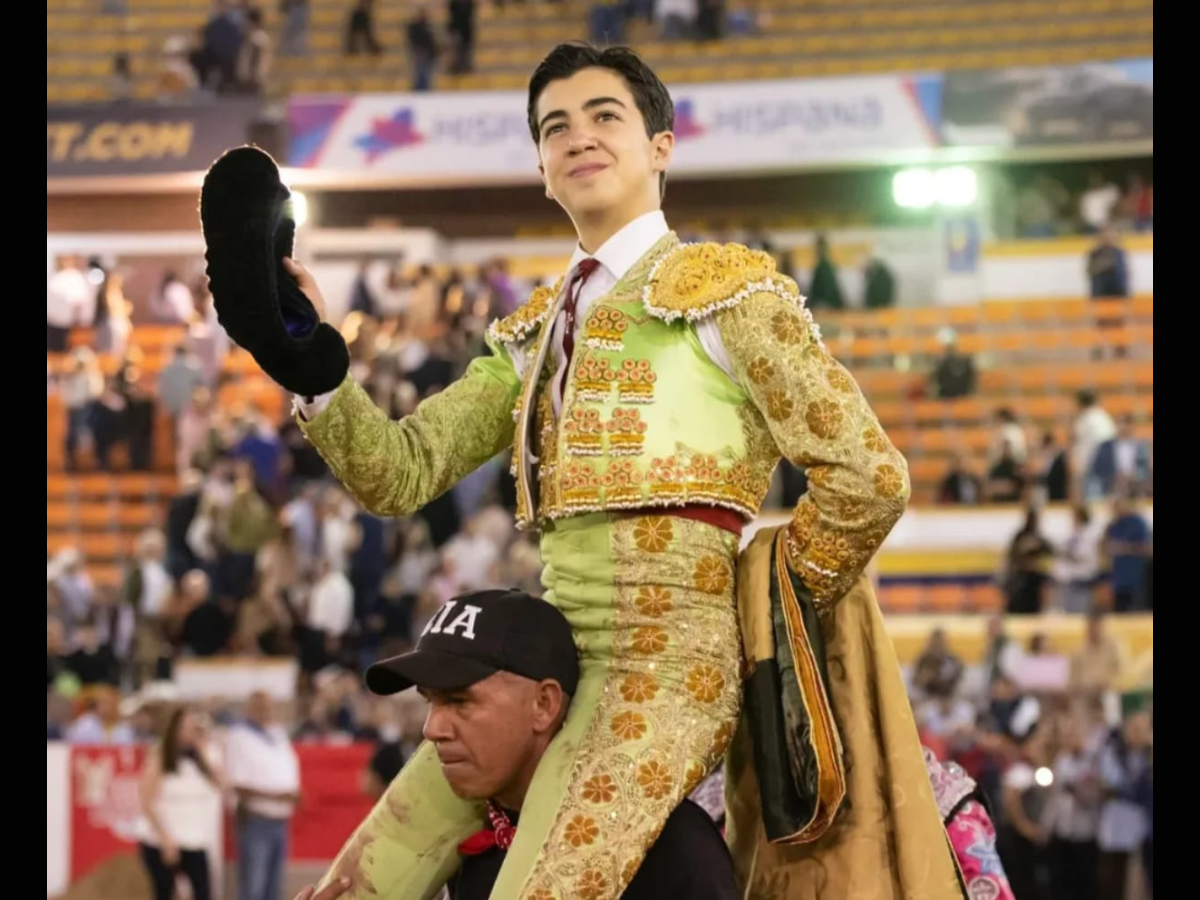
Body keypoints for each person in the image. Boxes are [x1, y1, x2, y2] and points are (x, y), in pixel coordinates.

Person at [202, 42, 948, 900]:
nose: (578, 137)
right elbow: (398, 474)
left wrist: (764, 597)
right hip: (538, 662)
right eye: (555, 127)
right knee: (358, 884)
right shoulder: (529, 335)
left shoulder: (732, 296)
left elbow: (869, 478)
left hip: (673, 672)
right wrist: (311, 366)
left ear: (660, 145)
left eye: (605, 117)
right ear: (543, 170)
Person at [299, 588, 740, 900]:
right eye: (431, 702)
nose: (432, 728)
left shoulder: (663, 845)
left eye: (459, 700)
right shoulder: (470, 840)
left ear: (544, 704)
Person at [136, 705, 225, 900]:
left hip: (194, 839)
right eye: (186, 727)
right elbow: (146, 800)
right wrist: (165, 838)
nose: (190, 732)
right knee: (165, 893)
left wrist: (202, 750)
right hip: (165, 841)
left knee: (203, 892)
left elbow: (221, 784)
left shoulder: (200, 758)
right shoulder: (160, 758)